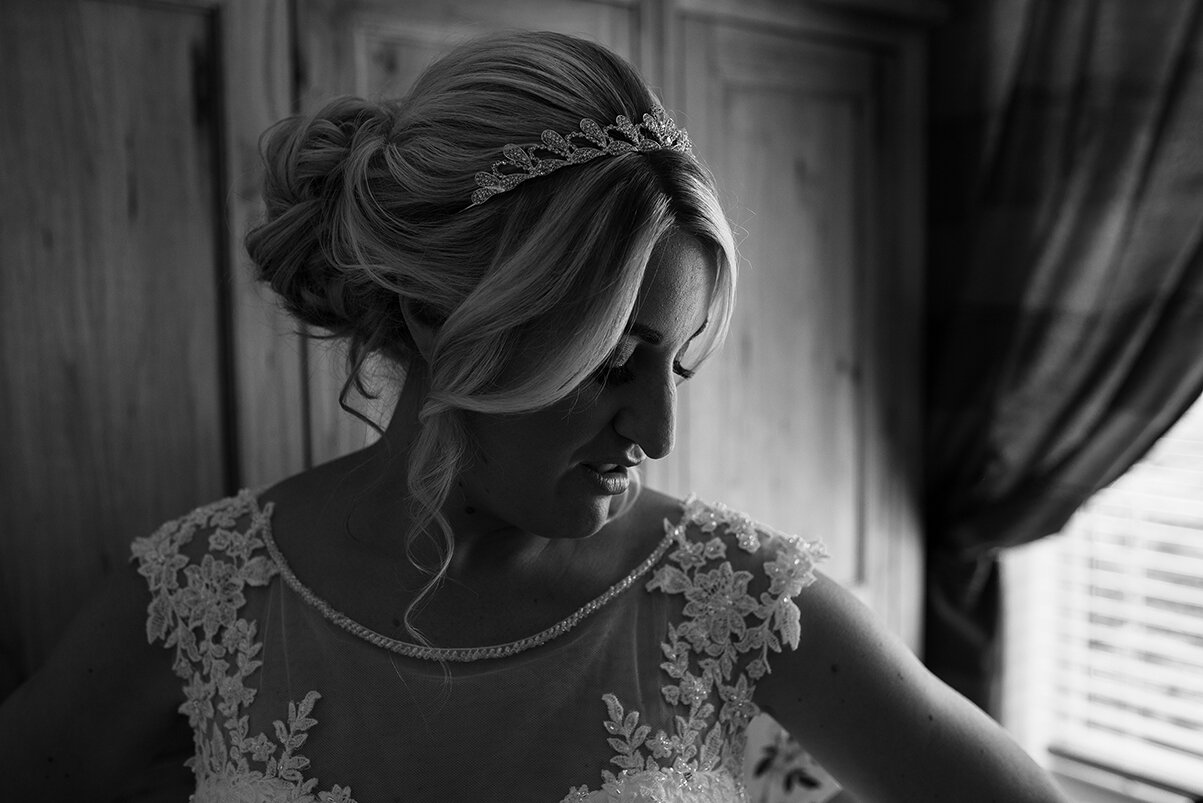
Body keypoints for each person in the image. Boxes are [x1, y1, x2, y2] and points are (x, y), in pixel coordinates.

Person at [0, 30, 1070, 802]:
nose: (653, 432)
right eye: (612, 362)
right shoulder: (200, 593)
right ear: (438, 318)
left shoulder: (736, 597)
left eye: (677, 368)